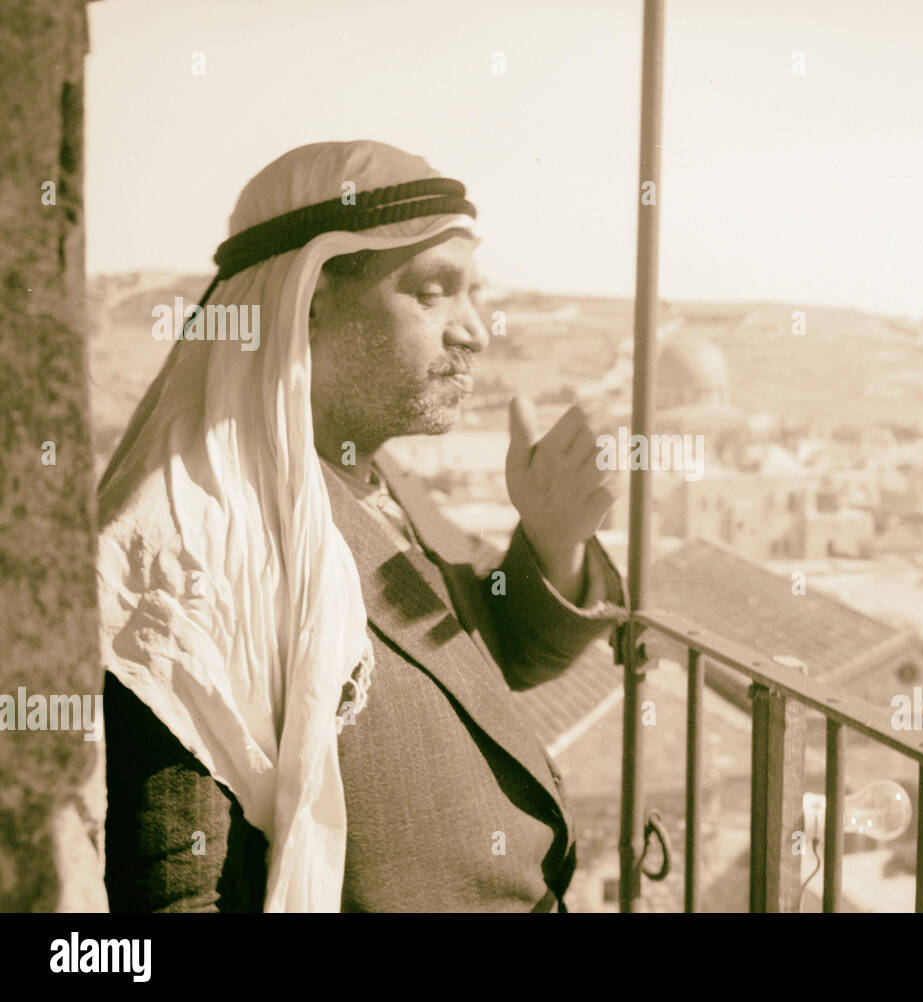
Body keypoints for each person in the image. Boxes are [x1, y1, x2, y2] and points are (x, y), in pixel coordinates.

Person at [97, 140, 628, 912]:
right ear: (306, 304)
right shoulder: (186, 548)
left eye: (472, 294)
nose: (474, 331)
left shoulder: (372, 473)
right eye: (434, 293)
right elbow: (175, 891)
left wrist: (553, 536)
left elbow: (489, 657)